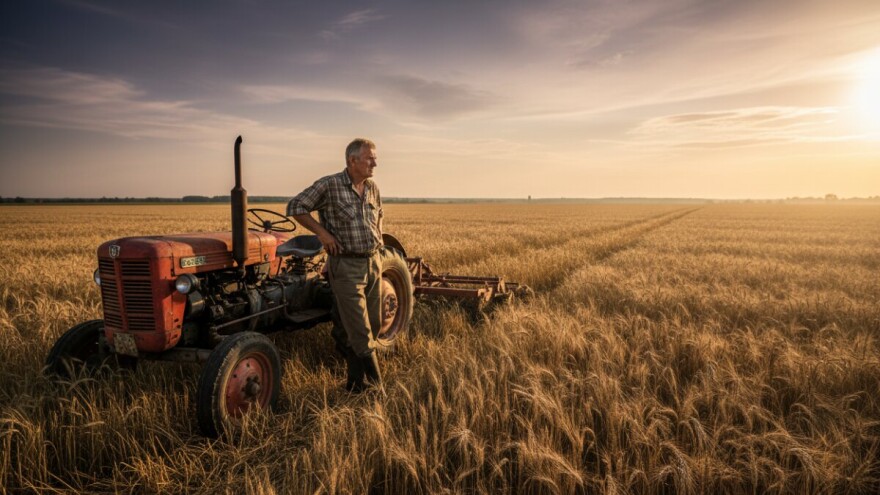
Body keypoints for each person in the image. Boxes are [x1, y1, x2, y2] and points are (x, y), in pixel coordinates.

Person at [287, 138, 384, 392]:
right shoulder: (330, 185)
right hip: (347, 267)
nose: (375, 162)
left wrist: (379, 245)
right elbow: (295, 206)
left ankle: (354, 384)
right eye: (370, 158)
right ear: (352, 161)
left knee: (372, 325)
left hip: (373, 263)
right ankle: (378, 389)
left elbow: (380, 216)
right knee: (361, 331)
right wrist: (323, 234)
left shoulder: (372, 187)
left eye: (374, 157)